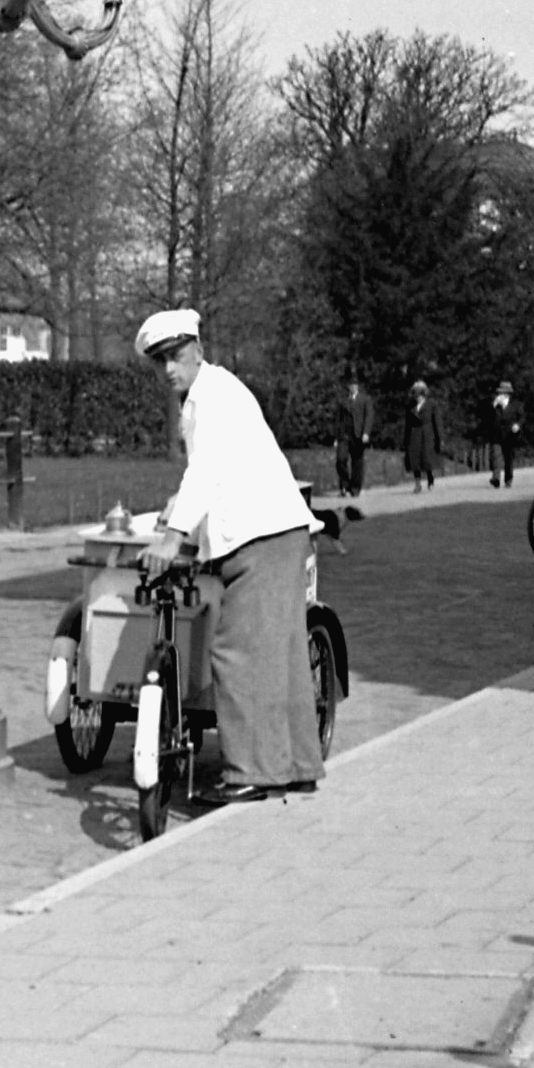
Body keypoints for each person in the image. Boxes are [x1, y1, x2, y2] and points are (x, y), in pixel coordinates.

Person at [133, 309, 323, 804]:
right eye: (160, 361)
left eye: (176, 356)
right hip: (276, 531)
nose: (169, 369)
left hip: (261, 537)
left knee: (237, 653)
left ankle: (252, 773)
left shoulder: (212, 397)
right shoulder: (213, 392)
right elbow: (221, 472)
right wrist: (182, 509)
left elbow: (207, 470)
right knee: (280, 656)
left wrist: (172, 537)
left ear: (197, 349)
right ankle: (296, 767)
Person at [336, 379, 375, 497]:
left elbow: (369, 416)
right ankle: (345, 485)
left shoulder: (365, 399)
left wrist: (366, 433)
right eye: (350, 385)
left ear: (357, 386)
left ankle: (355, 488)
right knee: (340, 459)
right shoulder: (343, 400)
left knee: (357, 462)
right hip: (344, 435)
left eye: (354, 385)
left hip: (358, 435)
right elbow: (338, 420)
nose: (352, 387)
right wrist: (336, 437)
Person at [402, 380, 442, 493]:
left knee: (427, 458)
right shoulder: (410, 406)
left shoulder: (432, 404)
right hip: (414, 434)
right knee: (414, 459)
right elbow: (407, 424)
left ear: (424, 394)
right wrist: (405, 439)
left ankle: (430, 479)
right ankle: (417, 483)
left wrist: (439, 437)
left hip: (427, 434)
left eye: (420, 395)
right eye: (416, 395)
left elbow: (437, 421)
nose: (418, 397)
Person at [483, 382, 523, 488]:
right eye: (500, 393)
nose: (501, 395)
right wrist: (493, 405)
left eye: (503, 393)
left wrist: (518, 425)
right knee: (496, 457)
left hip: (510, 436)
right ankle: (496, 478)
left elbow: (522, 417)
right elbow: (488, 417)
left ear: (507, 394)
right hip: (496, 436)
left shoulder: (515, 405)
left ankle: (508, 479)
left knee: (508, 458)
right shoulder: (495, 405)